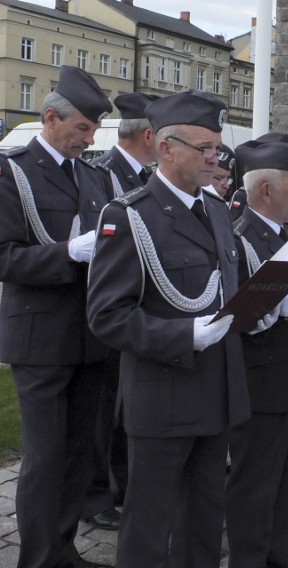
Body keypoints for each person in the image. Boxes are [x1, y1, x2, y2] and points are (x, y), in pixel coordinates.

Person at [87, 90, 252, 565]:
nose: (213, 159)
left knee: (204, 514)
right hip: (164, 396)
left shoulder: (218, 210)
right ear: (165, 148)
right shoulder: (130, 215)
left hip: (217, 389)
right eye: (203, 148)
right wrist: (183, 335)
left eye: (217, 150)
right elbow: (106, 315)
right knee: (149, 519)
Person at [0, 64, 113, 568]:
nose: (88, 140)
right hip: (41, 336)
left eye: (92, 131)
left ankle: (63, 549)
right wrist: (70, 253)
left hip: (91, 334)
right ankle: (37, 559)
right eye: (81, 129)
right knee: (45, 459)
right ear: (51, 117)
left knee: (78, 455)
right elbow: (5, 257)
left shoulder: (93, 175)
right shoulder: (12, 171)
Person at [225, 141, 288, 568]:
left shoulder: (285, 233)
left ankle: (276, 553)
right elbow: (237, 312)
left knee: (285, 475)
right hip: (262, 378)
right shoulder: (241, 238)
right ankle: (249, 558)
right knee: (256, 479)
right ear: (266, 190)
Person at [84, 92, 159, 532]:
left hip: (139, 306)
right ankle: (100, 493)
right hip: (109, 310)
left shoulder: (143, 177)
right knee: (104, 412)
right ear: (149, 136)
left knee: (126, 411)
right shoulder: (102, 176)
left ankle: (124, 484)